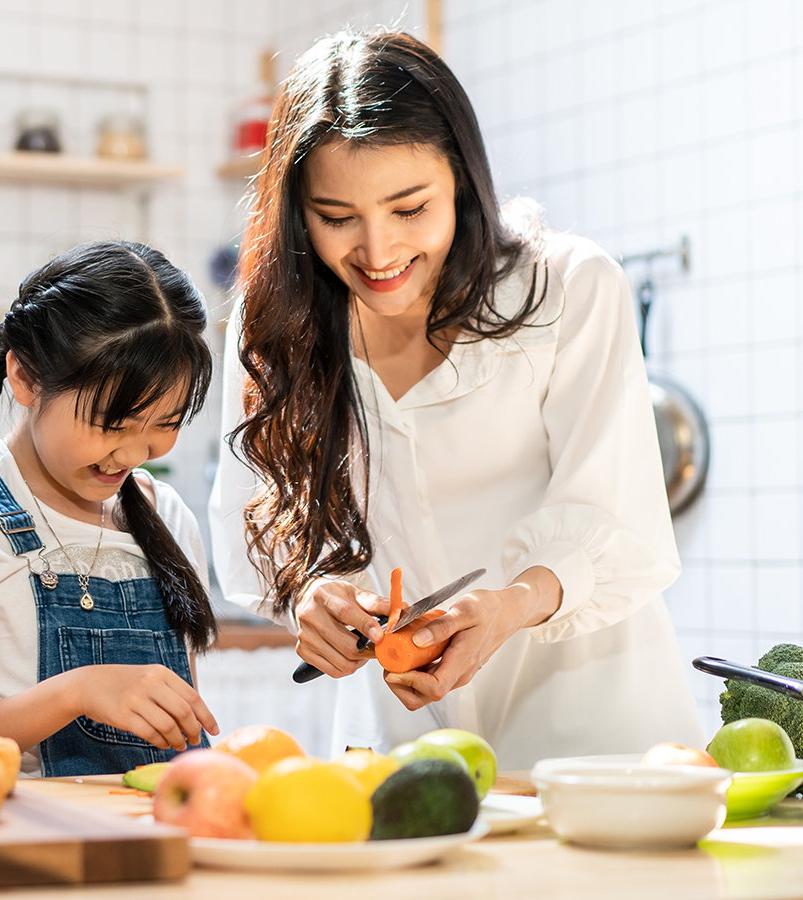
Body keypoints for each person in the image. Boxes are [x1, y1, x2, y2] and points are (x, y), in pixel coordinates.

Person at [209, 30, 702, 769]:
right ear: (297, 212)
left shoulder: (566, 289)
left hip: (596, 735)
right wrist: (311, 594)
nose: (377, 252)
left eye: (410, 209)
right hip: (409, 741)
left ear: (462, 181)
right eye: (337, 217)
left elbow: (618, 519)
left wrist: (509, 605)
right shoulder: (274, 321)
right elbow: (258, 519)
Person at [0, 241, 219, 777]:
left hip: (155, 834)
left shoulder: (167, 515)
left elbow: (179, 728)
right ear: (24, 378)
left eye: (165, 423)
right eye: (112, 425)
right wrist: (77, 691)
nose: (134, 455)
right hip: (24, 841)